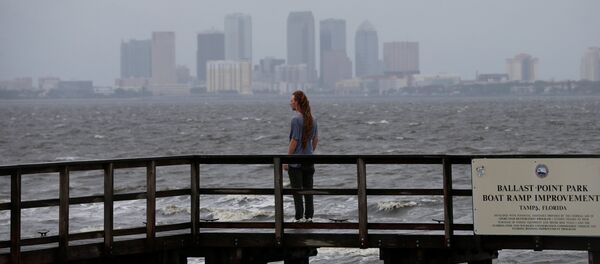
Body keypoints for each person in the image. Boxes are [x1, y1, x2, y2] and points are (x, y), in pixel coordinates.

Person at [283, 90, 319, 223]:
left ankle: (298, 219)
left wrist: (287, 159)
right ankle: (309, 218)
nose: (290, 103)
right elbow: (315, 140)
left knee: (297, 193)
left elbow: (294, 140)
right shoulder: (313, 119)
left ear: (297, 103)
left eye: (292, 100)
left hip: (296, 163)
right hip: (309, 161)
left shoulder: (295, 119)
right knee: (309, 192)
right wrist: (309, 152)